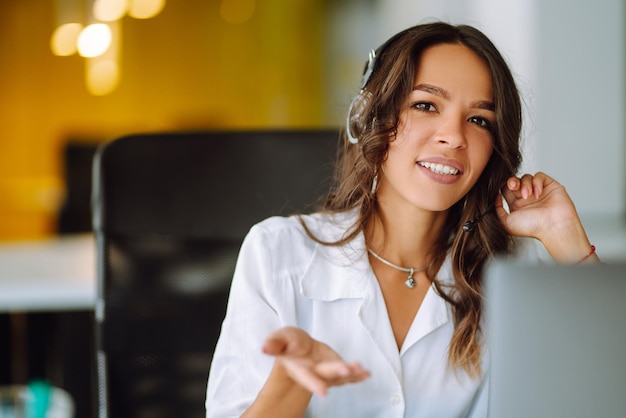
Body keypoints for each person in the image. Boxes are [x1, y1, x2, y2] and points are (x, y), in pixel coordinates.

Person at [205, 21, 599, 417]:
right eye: (426, 105)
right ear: (368, 117)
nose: (454, 136)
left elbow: (601, 393)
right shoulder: (278, 253)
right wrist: (288, 385)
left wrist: (567, 240)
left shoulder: (513, 269)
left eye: (479, 119)